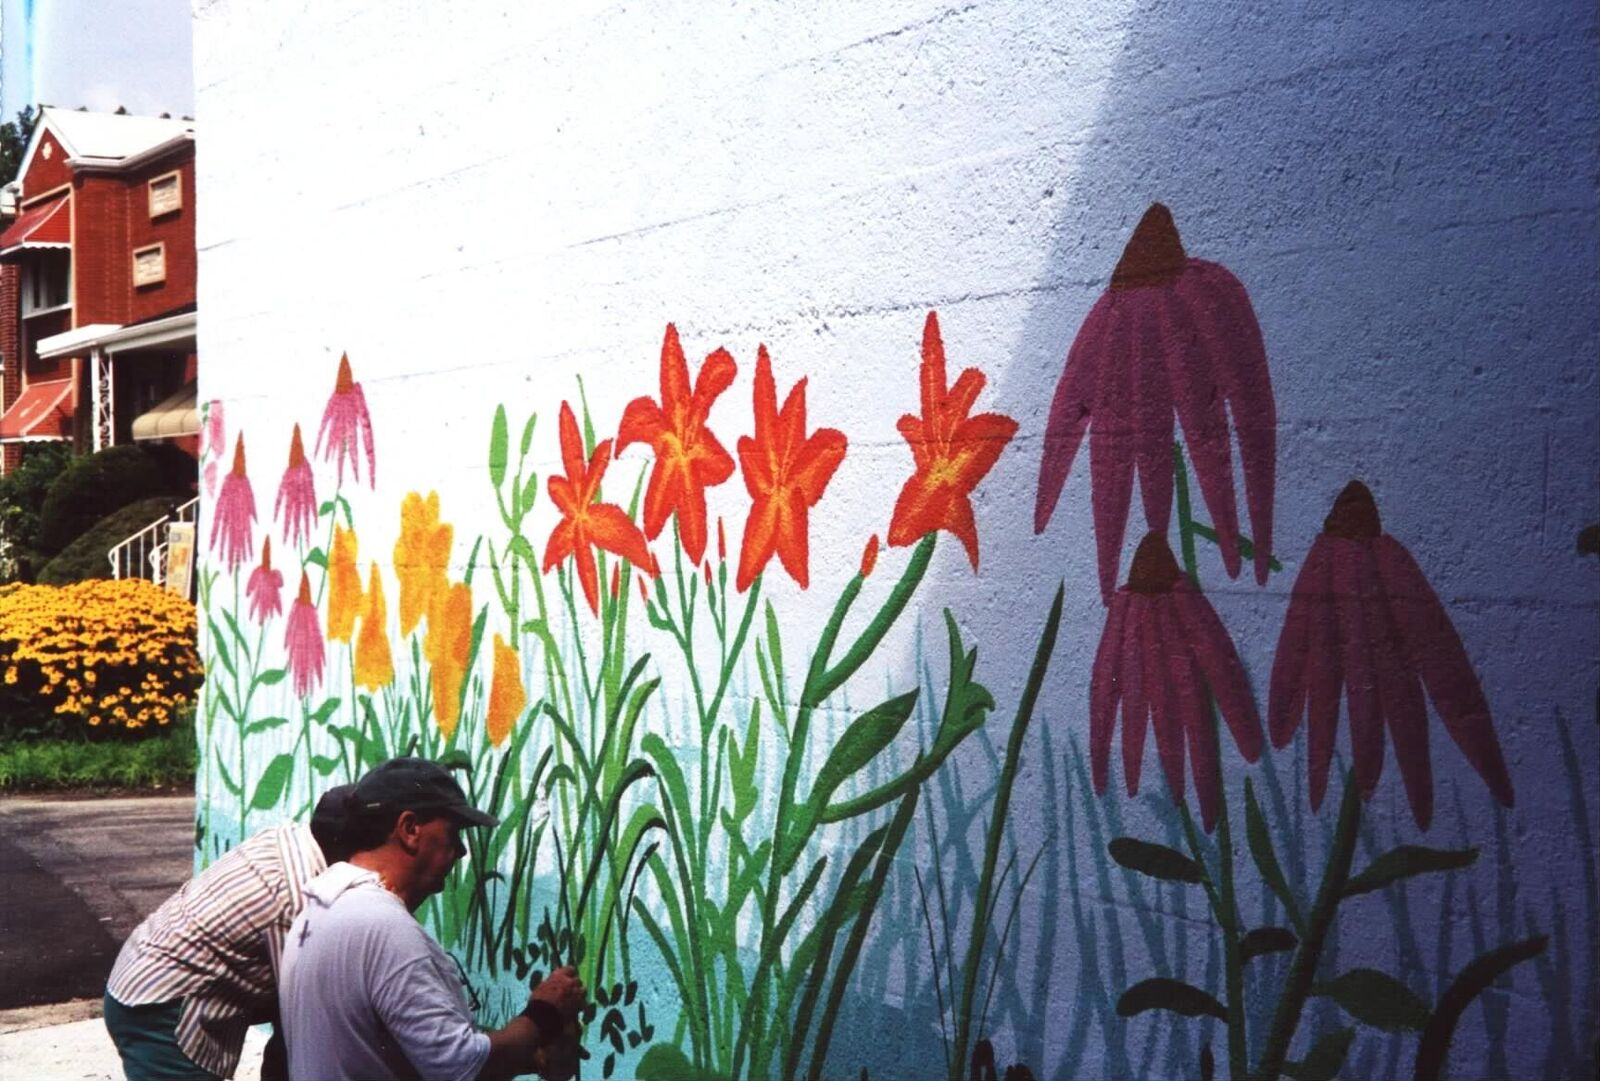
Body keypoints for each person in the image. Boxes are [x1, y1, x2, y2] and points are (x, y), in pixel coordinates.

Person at [279, 757, 586, 1081]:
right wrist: (545, 1013)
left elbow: (400, 1048)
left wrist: (531, 1053)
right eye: (453, 832)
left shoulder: (317, 909)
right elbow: (464, 1068)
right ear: (410, 829)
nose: (462, 851)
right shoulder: (384, 928)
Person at [104, 784, 357, 1080]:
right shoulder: (296, 896)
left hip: (140, 978)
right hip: (161, 1008)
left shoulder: (290, 839)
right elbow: (304, 1012)